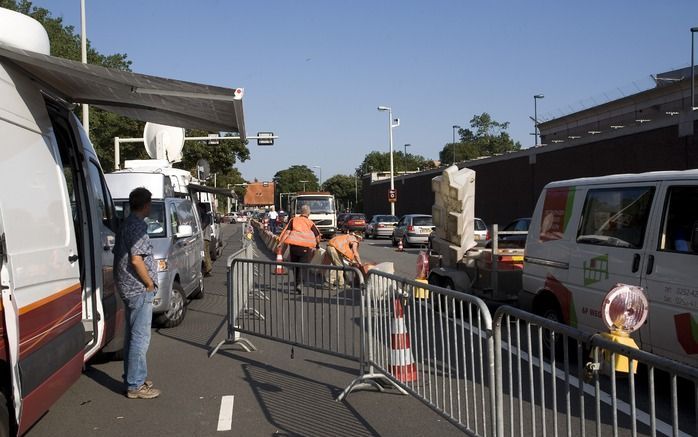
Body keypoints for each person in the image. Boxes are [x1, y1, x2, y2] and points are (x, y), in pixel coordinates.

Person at [113, 187, 161, 399]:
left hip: (127, 287)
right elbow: (136, 259)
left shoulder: (126, 224)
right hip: (138, 288)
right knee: (140, 338)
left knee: (132, 337)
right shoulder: (138, 227)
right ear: (146, 204)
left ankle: (134, 377)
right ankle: (135, 384)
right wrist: (149, 283)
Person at [278, 204, 321, 294]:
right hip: (305, 248)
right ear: (308, 213)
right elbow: (317, 235)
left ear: (301, 212)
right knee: (303, 266)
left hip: (293, 247)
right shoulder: (310, 222)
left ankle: (297, 283)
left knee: (295, 266)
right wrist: (317, 245)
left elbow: (287, 232)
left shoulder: (293, 220)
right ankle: (300, 284)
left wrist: (281, 243)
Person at [199, 203, 213, 276]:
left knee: (205, 254)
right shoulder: (206, 216)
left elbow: (202, 227)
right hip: (206, 238)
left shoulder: (205, 216)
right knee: (206, 254)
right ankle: (208, 268)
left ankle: (208, 269)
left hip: (205, 238)